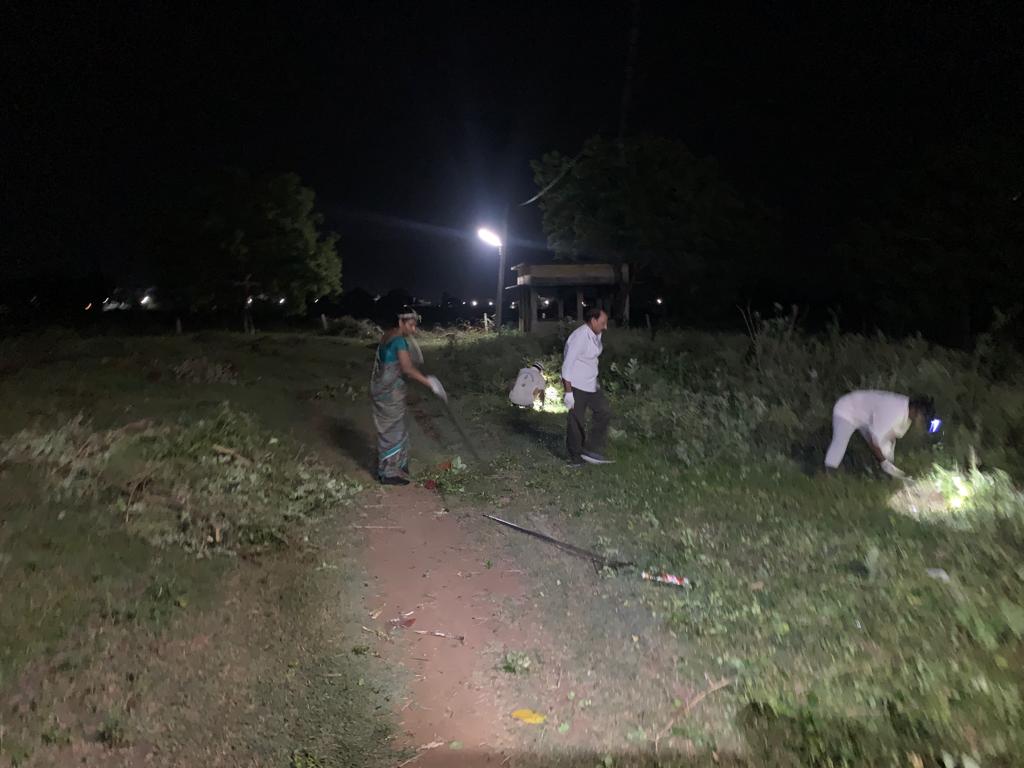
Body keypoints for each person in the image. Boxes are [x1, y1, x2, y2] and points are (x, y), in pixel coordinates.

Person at [370, 308, 447, 485]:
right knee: (392, 430)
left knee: (398, 426)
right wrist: (431, 384)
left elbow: (399, 361)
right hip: (389, 393)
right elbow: (407, 369)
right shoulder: (399, 341)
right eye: (410, 325)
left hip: (382, 388)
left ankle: (400, 464)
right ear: (400, 322)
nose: (413, 329)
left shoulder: (388, 335)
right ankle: (388, 473)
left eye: (414, 325)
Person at [824, 390, 937, 478]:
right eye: (923, 418)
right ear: (916, 410)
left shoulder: (907, 413)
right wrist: (884, 463)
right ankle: (829, 472)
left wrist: (889, 461)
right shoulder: (894, 413)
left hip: (867, 416)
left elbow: (890, 437)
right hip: (847, 409)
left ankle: (875, 474)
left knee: (883, 450)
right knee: (840, 442)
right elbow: (874, 441)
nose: (922, 422)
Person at [561, 308, 613, 466]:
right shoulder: (579, 337)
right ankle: (575, 458)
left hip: (591, 384)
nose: (605, 327)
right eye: (603, 323)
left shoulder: (597, 334)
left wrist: (595, 379)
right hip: (576, 385)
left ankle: (591, 449)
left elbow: (591, 359)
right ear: (593, 321)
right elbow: (567, 366)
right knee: (576, 421)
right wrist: (568, 393)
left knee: (604, 411)